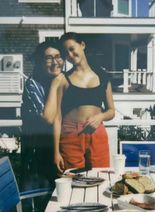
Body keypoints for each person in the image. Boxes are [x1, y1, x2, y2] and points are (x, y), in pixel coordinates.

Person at [51, 32, 115, 173]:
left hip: (97, 132)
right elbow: (57, 117)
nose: (70, 55)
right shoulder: (63, 79)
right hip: (71, 134)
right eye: (66, 52)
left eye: (72, 49)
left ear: (82, 45)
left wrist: (100, 117)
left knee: (102, 177)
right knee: (73, 181)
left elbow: (111, 111)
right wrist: (56, 152)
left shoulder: (103, 76)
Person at [21, 40, 64, 190]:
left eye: (58, 56)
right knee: (43, 202)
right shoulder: (32, 85)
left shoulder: (60, 80)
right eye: (48, 58)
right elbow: (49, 118)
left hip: (62, 150)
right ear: (39, 62)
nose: (55, 62)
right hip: (38, 157)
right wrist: (55, 84)